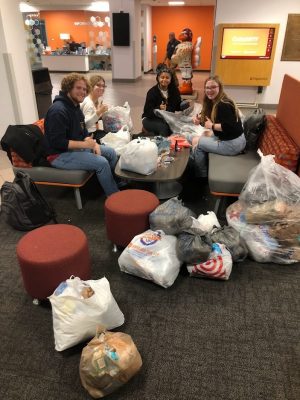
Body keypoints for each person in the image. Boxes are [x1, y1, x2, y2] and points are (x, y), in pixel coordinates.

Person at [43, 72, 120, 197]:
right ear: (68, 88)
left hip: (75, 149)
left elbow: (83, 131)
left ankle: (113, 183)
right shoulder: (58, 110)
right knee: (102, 163)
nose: (83, 92)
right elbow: (57, 142)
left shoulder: (75, 107)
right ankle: (114, 196)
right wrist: (85, 144)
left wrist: (93, 145)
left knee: (111, 152)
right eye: (78, 88)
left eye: (85, 89)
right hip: (58, 155)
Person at [191, 75, 246, 178]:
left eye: (213, 87)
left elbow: (230, 127)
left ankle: (201, 176)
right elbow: (207, 121)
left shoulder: (223, 104)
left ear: (219, 88)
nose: (210, 90)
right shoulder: (214, 102)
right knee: (204, 134)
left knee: (196, 142)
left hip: (233, 144)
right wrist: (199, 120)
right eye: (207, 88)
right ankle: (204, 162)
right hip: (234, 139)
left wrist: (212, 126)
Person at [142, 64, 187, 137]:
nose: (164, 80)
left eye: (167, 78)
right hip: (149, 119)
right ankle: (163, 146)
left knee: (180, 126)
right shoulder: (152, 92)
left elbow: (176, 107)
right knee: (164, 127)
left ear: (170, 79)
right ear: (158, 78)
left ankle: (157, 137)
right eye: (162, 77)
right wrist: (158, 108)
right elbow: (147, 112)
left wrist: (183, 105)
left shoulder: (174, 91)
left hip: (167, 118)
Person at [81, 74, 108, 143]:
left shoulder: (95, 101)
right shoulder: (89, 103)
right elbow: (85, 125)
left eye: (103, 86)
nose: (102, 88)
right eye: (98, 85)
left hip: (91, 133)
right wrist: (99, 112)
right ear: (91, 86)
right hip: (88, 136)